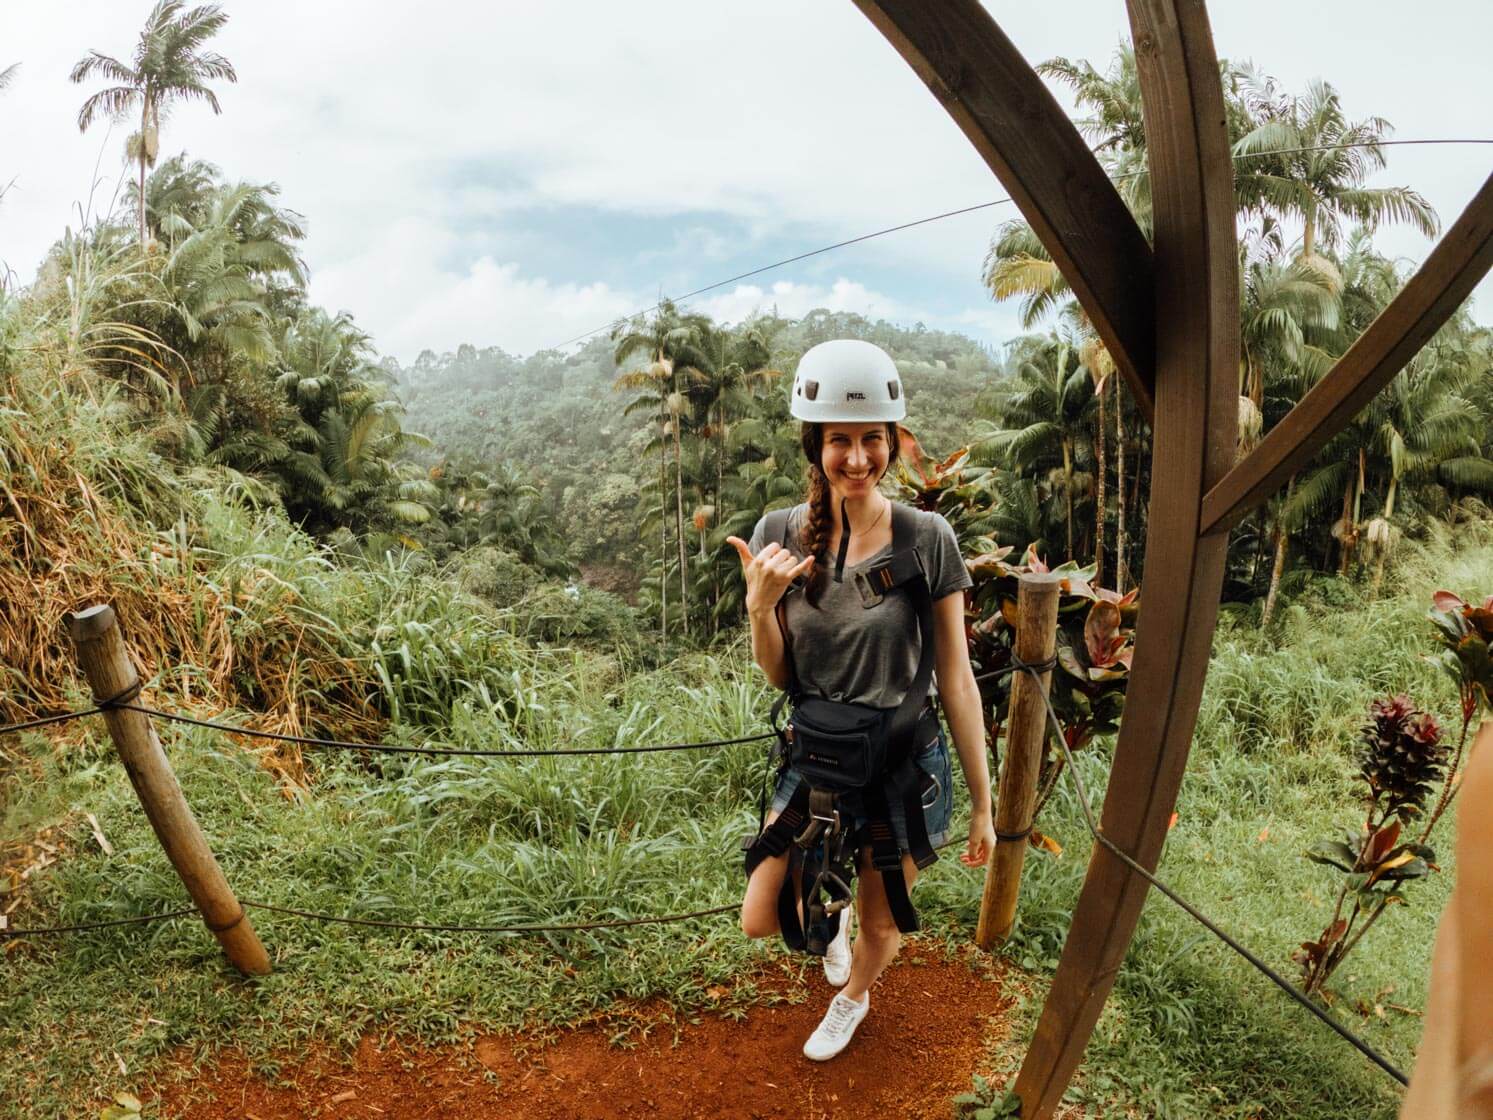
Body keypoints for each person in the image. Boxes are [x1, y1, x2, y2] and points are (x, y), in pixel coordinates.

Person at [727, 338, 997, 1061]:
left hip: (903, 764)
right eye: (837, 441)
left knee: (884, 923)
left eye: (870, 439)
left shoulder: (924, 539)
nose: (855, 458)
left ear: (892, 442)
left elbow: (956, 675)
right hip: (818, 752)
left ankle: (853, 998)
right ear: (813, 446)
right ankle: (831, 913)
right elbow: (782, 678)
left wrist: (981, 801)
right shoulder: (778, 534)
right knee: (761, 916)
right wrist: (761, 609)